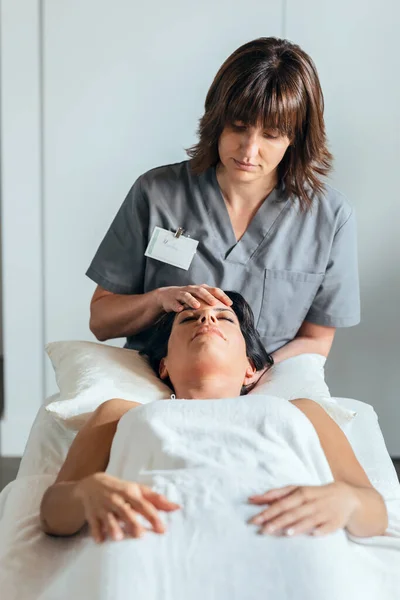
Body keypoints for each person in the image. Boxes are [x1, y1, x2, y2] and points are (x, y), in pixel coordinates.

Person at [86, 37, 360, 366]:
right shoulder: (157, 193)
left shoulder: (329, 218)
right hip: (158, 381)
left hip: (266, 386)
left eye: (271, 135)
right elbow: (101, 321)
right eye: (238, 127)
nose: (248, 151)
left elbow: (316, 340)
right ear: (217, 120)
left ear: (296, 138)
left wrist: (251, 376)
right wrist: (160, 300)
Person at [40, 292, 386, 544]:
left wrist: (347, 500)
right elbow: (53, 512)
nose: (206, 319)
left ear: (251, 369)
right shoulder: (118, 413)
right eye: (189, 319)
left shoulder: (304, 410)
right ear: (164, 365)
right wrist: (85, 494)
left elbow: (374, 510)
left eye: (224, 318)